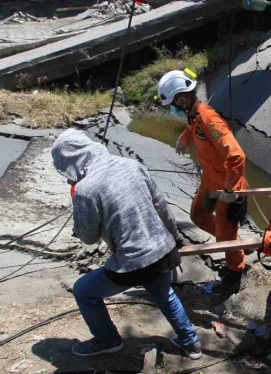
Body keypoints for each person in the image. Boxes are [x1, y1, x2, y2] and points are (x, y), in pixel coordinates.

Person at [51, 129, 201, 359]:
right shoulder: (132, 164)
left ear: (70, 161)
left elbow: (88, 238)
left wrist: (79, 209)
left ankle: (107, 340)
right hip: (163, 251)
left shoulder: (84, 190)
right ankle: (191, 344)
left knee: (83, 290)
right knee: (164, 294)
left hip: (133, 263)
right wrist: (177, 239)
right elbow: (161, 206)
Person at [157, 69, 249, 292]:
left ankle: (235, 272)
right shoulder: (194, 116)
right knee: (198, 216)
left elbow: (237, 156)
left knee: (227, 236)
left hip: (228, 188)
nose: (174, 109)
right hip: (209, 181)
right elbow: (192, 129)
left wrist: (229, 190)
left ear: (182, 99)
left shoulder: (210, 121)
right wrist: (183, 140)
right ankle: (231, 243)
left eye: (174, 105)